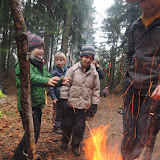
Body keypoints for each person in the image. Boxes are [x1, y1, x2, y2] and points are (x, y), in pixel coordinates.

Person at [12, 32, 69, 160]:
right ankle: (19, 156)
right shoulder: (22, 64)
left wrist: (61, 80)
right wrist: (46, 81)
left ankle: (26, 154)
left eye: (43, 48)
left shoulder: (39, 65)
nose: (41, 50)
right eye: (38, 48)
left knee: (34, 133)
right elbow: (29, 77)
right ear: (30, 49)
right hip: (27, 106)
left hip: (37, 104)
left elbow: (49, 77)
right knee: (32, 133)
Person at [122, 0, 160, 159]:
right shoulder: (135, 26)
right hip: (131, 87)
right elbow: (130, 54)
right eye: (142, 0)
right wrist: (127, 75)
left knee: (146, 134)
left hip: (153, 90)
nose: (147, 3)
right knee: (128, 131)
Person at [60, 44, 100, 156]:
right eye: (86, 57)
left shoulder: (94, 74)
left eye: (91, 58)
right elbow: (66, 85)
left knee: (79, 127)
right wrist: (63, 99)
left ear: (93, 60)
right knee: (67, 124)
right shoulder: (72, 70)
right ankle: (64, 141)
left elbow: (96, 90)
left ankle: (76, 145)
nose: (88, 60)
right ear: (81, 57)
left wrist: (94, 104)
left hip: (84, 106)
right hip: (71, 104)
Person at [49, 52, 68, 134]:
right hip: (57, 96)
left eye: (61, 60)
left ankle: (63, 126)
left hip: (65, 96)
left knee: (65, 111)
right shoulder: (53, 73)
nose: (59, 62)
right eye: (57, 60)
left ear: (64, 61)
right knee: (58, 112)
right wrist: (53, 97)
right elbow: (51, 86)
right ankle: (56, 126)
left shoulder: (67, 71)